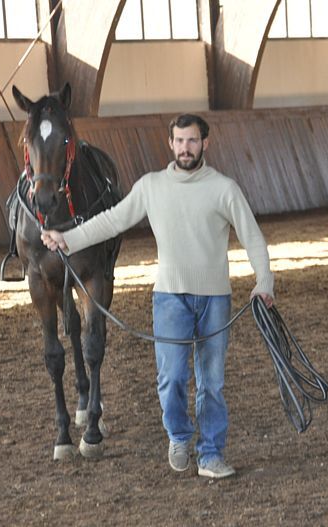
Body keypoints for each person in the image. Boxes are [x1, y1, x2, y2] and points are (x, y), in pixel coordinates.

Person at [41, 114, 274, 479]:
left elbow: (252, 236)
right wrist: (67, 239)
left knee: (212, 382)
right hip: (169, 297)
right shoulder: (151, 187)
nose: (186, 148)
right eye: (180, 141)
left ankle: (211, 454)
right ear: (171, 144)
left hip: (215, 299)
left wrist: (264, 282)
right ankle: (179, 435)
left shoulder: (224, 189)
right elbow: (112, 221)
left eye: (193, 141)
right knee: (172, 379)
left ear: (205, 144)